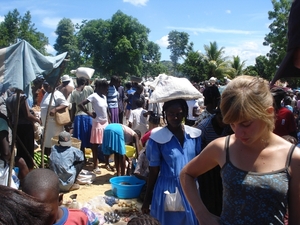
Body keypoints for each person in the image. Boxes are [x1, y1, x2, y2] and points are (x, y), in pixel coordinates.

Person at [180, 75, 300, 225]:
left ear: (268, 113)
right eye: (232, 124)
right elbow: (186, 174)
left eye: (246, 124)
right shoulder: (222, 148)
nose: (237, 133)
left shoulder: (293, 158)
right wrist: (202, 214)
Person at [141, 99, 201, 225]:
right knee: (170, 221)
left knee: (190, 220)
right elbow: (154, 171)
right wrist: (147, 200)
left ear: (184, 113)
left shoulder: (194, 136)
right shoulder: (157, 139)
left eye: (178, 113)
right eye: (170, 113)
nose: (175, 117)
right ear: (165, 114)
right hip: (168, 189)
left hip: (190, 188)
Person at [195, 107, 233, 216]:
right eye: (221, 119)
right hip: (207, 166)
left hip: (223, 164)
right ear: (216, 115)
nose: (223, 122)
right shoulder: (204, 127)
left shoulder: (228, 126)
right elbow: (198, 151)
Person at [22, 168, 91, 225]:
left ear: (60, 200)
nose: (40, 218)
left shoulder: (78, 219)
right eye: (33, 213)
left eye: (46, 213)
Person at [78, 79, 111, 174]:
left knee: (106, 144)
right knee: (95, 145)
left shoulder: (104, 97)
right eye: (105, 88)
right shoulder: (93, 96)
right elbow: (80, 104)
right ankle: (95, 165)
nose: (107, 90)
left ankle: (107, 163)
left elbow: (106, 110)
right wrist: (89, 113)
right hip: (97, 123)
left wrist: (110, 120)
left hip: (105, 123)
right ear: (100, 87)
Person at [6, 91, 41, 170]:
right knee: (28, 150)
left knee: (20, 149)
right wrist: (37, 120)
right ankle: (28, 169)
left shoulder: (8, 99)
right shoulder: (21, 97)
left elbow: (10, 116)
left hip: (17, 127)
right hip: (26, 127)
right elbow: (27, 115)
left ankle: (21, 169)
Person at [40, 81, 69, 156]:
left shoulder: (57, 94)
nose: (46, 88)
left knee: (53, 140)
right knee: (46, 140)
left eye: (47, 86)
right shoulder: (46, 94)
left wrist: (55, 109)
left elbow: (65, 104)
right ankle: (47, 155)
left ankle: (54, 155)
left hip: (53, 123)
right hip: (45, 123)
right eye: (44, 86)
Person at [69, 77, 94, 157]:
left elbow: (73, 107)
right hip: (88, 116)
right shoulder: (89, 88)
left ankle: (82, 158)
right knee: (91, 137)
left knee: (80, 139)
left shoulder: (74, 92)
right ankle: (95, 158)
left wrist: (72, 118)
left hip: (78, 118)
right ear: (85, 82)